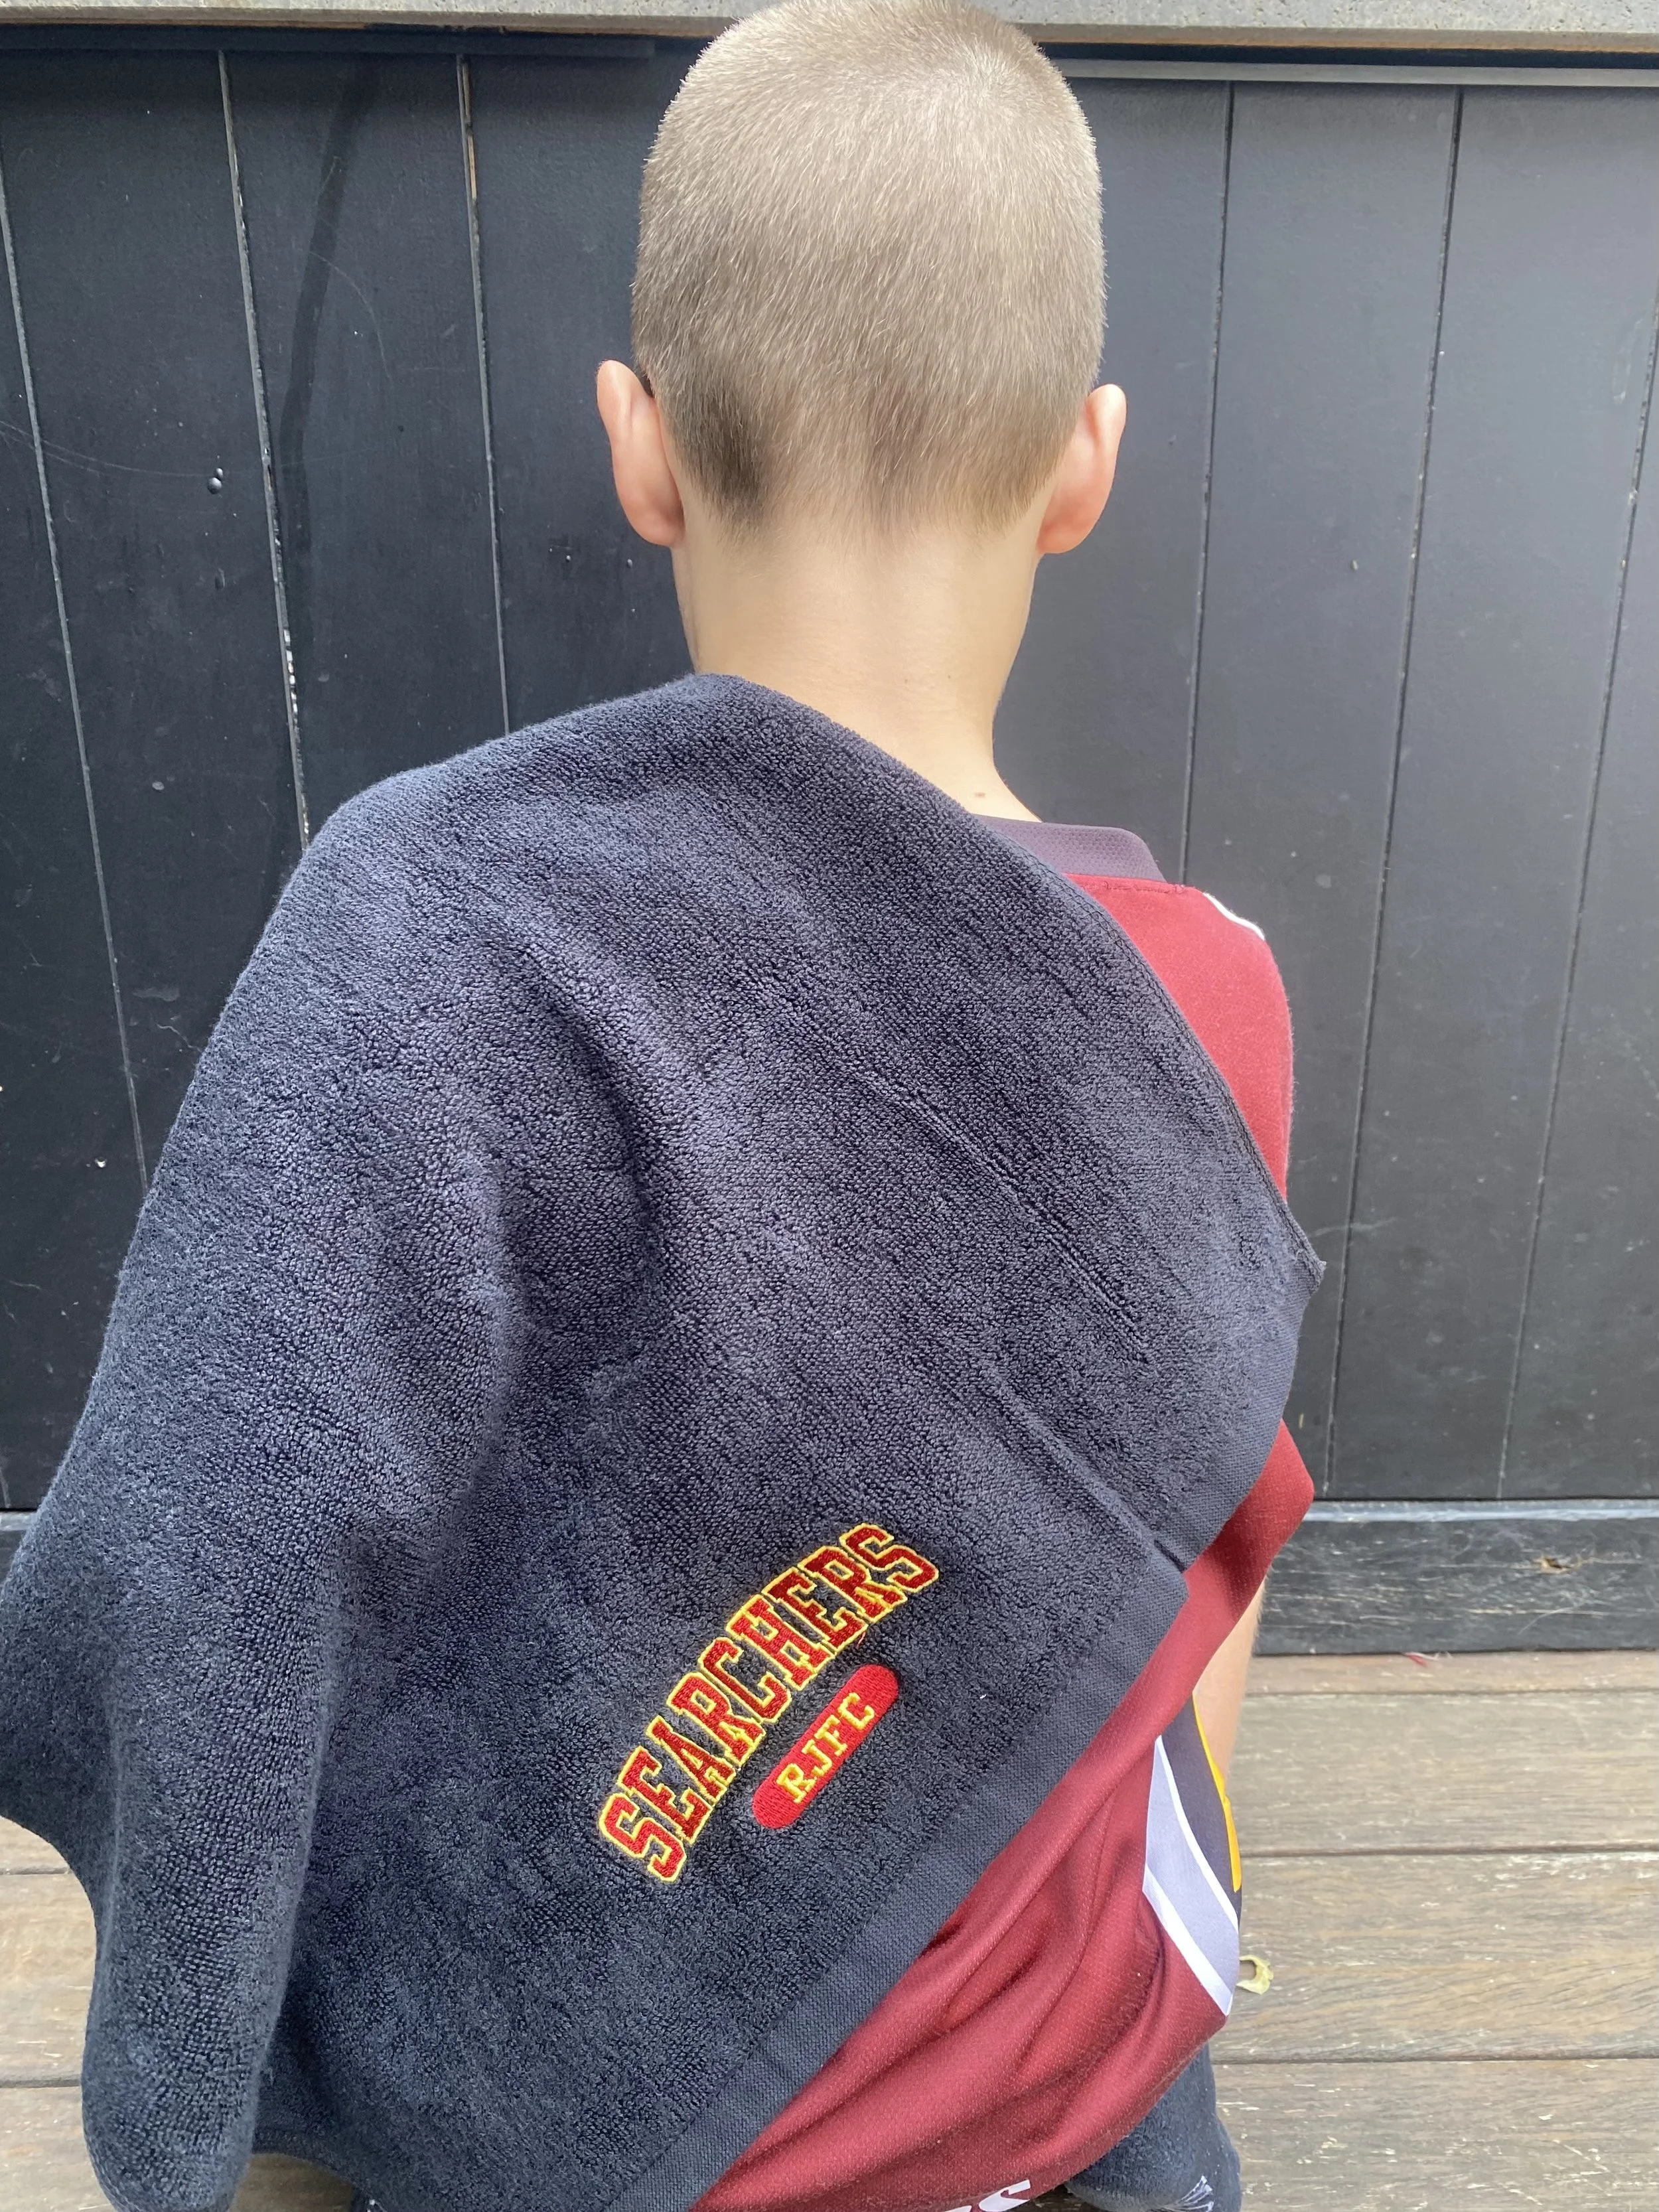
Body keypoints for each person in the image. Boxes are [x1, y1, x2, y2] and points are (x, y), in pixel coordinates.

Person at [0, 6, 1319, 2212]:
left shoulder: (422, 922)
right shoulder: (1209, 1002)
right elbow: (1204, 1563)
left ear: (642, 447)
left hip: (580, 2119)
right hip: (1063, 2088)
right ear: (1083, 466)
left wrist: (216, 2119)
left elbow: (215, 1557)